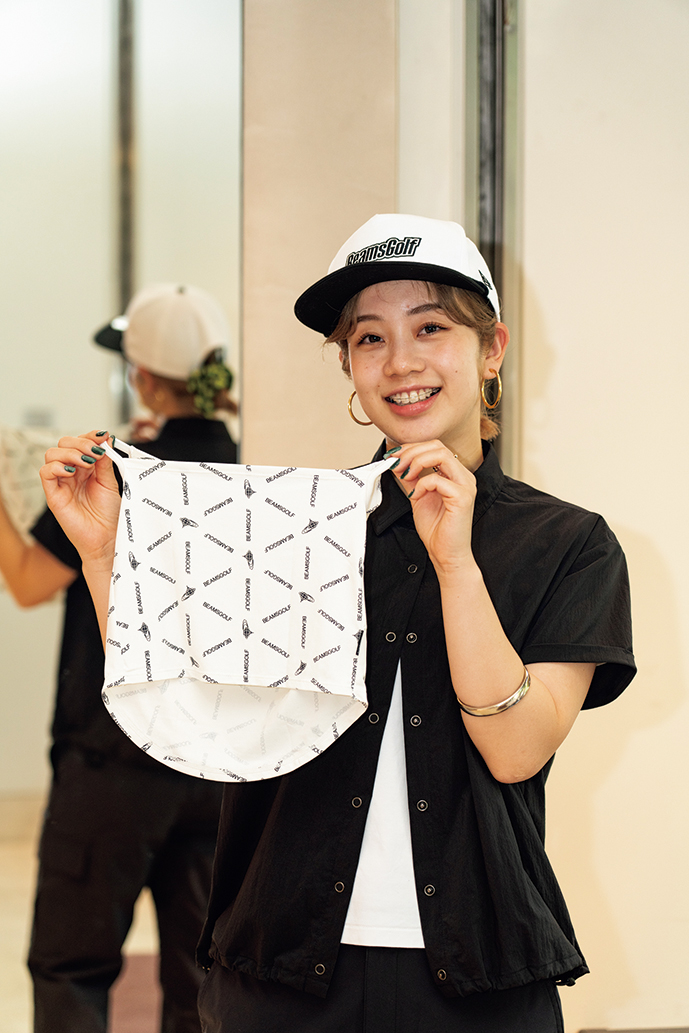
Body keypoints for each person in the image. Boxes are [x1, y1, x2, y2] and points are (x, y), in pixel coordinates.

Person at [39, 216, 635, 1033]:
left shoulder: (568, 543)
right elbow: (192, 713)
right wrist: (106, 558)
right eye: (368, 338)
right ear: (350, 366)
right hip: (278, 974)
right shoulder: (294, 522)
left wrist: (456, 564)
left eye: (430, 327)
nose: (400, 361)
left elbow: (515, 748)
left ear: (491, 348)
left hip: (477, 981)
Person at [0, 283, 237, 1033]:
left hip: (113, 761)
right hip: (214, 762)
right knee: (201, 979)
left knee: (72, 966)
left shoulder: (113, 472)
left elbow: (29, 583)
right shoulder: (247, 467)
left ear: (142, 378)